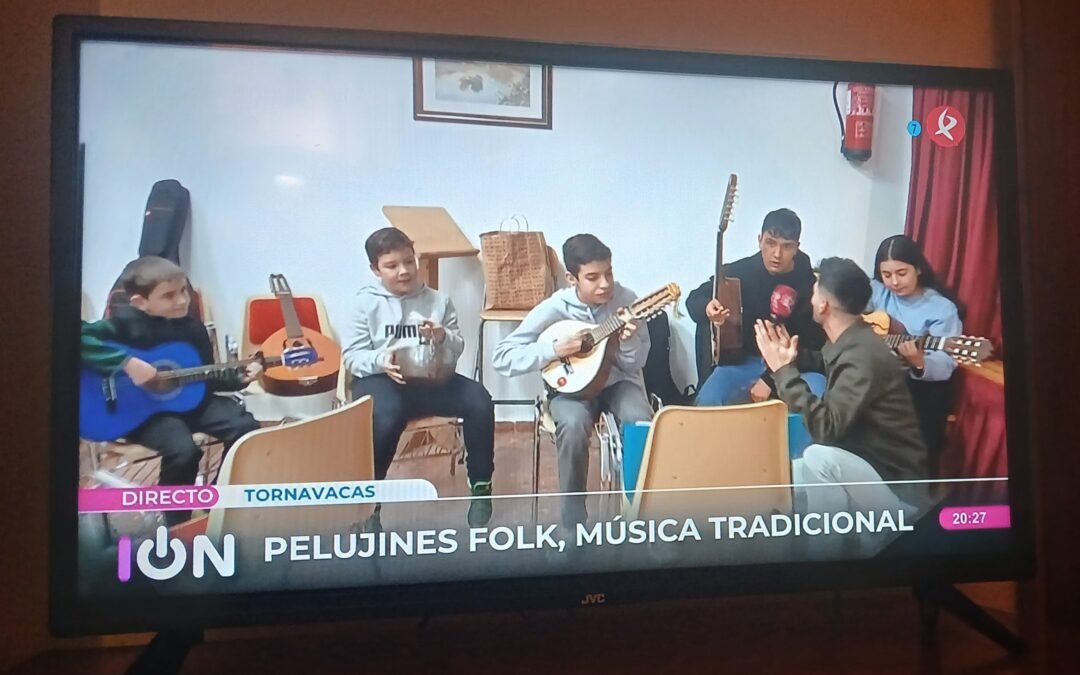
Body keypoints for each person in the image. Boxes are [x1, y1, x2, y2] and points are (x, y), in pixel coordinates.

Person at [755, 257, 930, 556]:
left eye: (814, 291)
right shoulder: (854, 339)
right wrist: (789, 357)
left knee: (818, 456)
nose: (809, 297)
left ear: (823, 304)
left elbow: (827, 429)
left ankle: (840, 553)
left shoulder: (863, 355)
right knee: (785, 474)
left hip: (897, 488)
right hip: (866, 466)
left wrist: (783, 371)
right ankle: (823, 554)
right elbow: (825, 362)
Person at [81, 256, 261, 526]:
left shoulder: (193, 328)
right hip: (138, 411)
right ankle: (176, 523)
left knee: (245, 428)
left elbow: (205, 376)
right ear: (141, 303)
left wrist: (239, 379)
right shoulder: (123, 325)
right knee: (183, 450)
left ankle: (214, 501)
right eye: (169, 296)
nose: (182, 301)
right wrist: (125, 363)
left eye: (184, 292)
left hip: (190, 400)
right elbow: (74, 334)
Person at [492, 234, 652, 529]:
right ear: (571, 278)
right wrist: (553, 350)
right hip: (570, 391)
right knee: (574, 426)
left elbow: (635, 364)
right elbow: (502, 357)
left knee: (640, 420)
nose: (605, 284)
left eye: (609, 273)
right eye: (593, 277)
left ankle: (640, 516)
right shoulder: (555, 309)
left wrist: (628, 342)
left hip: (618, 382)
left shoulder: (628, 301)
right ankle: (573, 526)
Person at [343, 227, 496, 527]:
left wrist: (442, 337)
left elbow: (458, 347)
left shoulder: (439, 302)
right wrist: (380, 360)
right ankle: (369, 505)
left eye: (408, 261)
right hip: (381, 378)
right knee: (386, 415)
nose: (403, 271)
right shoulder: (364, 304)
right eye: (391, 266)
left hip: (430, 378)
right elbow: (351, 356)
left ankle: (481, 488)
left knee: (479, 400)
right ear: (375, 269)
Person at [686, 208, 826, 406]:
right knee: (708, 401)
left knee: (818, 389)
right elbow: (693, 299)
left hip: (790, 365)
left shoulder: (809, 285)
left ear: (797, 248)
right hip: (743, 363)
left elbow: (813, 344)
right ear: (760, 239)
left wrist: (771, 379)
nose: (777, 254)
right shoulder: (738, 272)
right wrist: (708, 308)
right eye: (770, 243)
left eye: (787, 246)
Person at [867, 234, 963, 469]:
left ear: (918, 269)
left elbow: (946, 361)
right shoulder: (877, 291)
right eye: (886, 275)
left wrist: (920, 362)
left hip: (920, 388)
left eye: (901, 273)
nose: (894, 282)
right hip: (881, 381)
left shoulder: (942, 309)